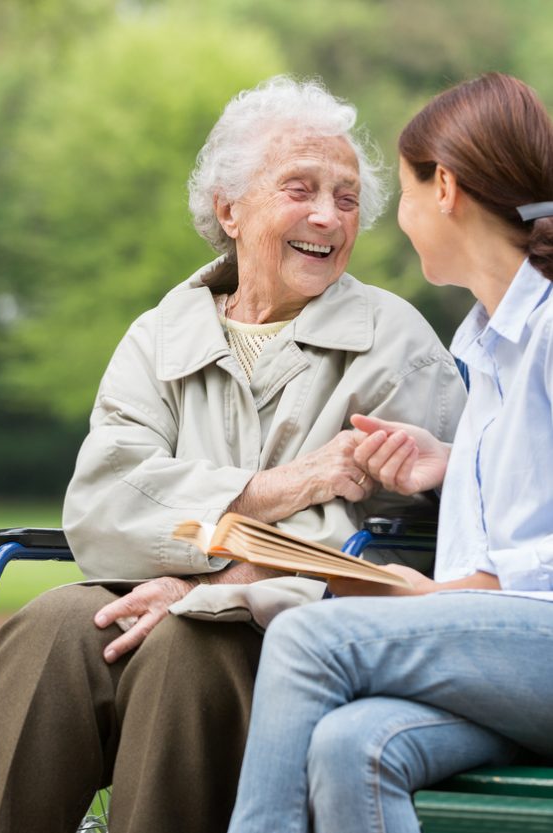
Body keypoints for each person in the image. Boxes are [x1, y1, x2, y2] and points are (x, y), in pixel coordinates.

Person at [0, 77, 466, 833]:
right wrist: (291, 484)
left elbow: (405, 541)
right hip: (145, 595)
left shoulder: (396, 344)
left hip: (289, 634)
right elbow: (103, 502)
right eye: (300, 188)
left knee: (186, 650)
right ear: (230, 207)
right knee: (51, 628)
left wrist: (208, 584)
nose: (328, 215)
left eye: (347, 197)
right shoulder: (159, 335)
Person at [227, 72, 553, 833]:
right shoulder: (490, 345)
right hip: (518, 661)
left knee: (308, 637)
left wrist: (430, 597)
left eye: (398, 196)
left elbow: (528, 573)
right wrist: (451, 460)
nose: (392, 221)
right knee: (352, 745)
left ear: (444, 187)